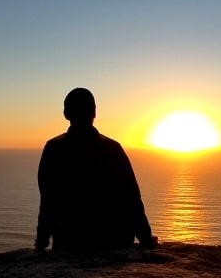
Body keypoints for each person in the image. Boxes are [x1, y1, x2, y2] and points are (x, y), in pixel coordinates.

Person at [35, 88, 156, 252]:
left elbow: (48, 199)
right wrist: (145, 239)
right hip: (113, 241)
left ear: (66, 113)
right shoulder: (113, 148)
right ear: (94, 112)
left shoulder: (54, 148)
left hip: (70, 240)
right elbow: (131, 198)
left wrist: (41, 242)